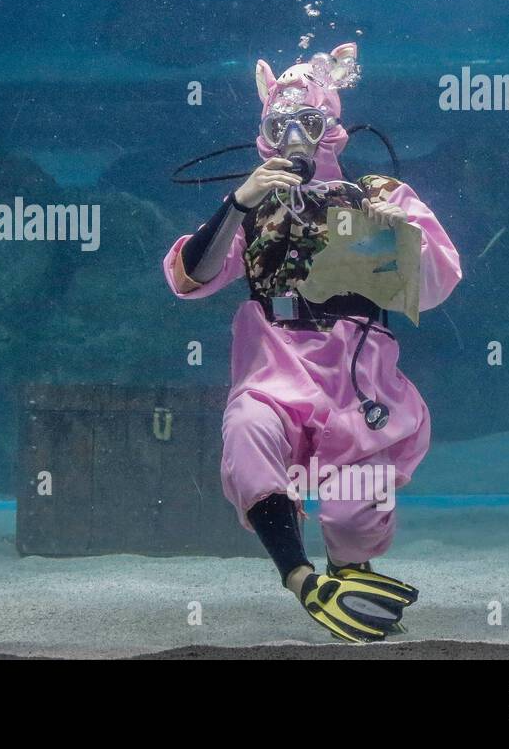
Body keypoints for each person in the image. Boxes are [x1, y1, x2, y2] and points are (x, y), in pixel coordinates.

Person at [162, 44, 461, 642]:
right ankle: (299, 576)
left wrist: (395, 234)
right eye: (280, 125)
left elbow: (435, 284)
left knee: (356, 505)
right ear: (264, 134)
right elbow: (190, 278)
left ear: (334, 129)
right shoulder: (252, 206)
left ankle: (352, 573)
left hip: (359, 377)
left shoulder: (382, 194)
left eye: (310, 122)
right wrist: (237, 202)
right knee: (248, 432)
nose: (295, 137)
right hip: (274, 367)